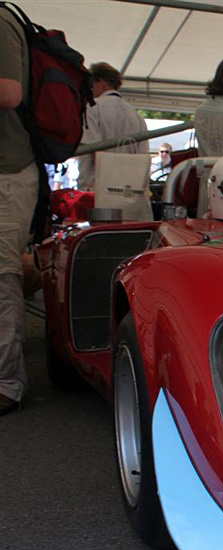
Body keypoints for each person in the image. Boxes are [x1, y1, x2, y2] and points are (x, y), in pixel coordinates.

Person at [0, 4, 35, 415]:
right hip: (9, 170)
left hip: (8, 170)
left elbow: (9, 92)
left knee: (3, 275)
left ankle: (7, 382)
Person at [75, 62, 148, 191]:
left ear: (101, 83)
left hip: (97, 188)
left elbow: (93, 150)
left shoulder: (92, 108)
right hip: (128, 189)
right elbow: (142, 157)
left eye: (91, 85)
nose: (89, 90)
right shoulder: (137, 116)